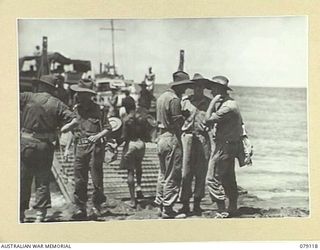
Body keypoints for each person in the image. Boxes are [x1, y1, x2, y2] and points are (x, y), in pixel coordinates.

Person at [20, 75, 76, 223]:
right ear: (52, 89)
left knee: (23, 178)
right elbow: (74, 120)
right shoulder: (57, 104)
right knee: (42, 179)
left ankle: (21, 213)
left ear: (40, 86)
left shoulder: (27, 97)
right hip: (45, 145)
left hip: (26, 142)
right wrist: (61, 130)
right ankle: (40, 215)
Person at [61, 79, 112, 220]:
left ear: (89, 95)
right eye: (79, 93)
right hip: (79, 147)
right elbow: (72, 130)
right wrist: (67, 149)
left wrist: (98, 136)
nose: (79, 95)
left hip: (95, 148)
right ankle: (80, 208)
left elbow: (108, 128)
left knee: (96, 179)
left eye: (83, 93)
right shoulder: (76, 110)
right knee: (79, 179)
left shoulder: (99, 110)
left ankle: (97, 206)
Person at [154, 71, 192, 219]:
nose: (186, 90)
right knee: (173, 174)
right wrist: (185, 116)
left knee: (162, 173)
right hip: (171, 137)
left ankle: (160, 204)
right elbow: (177, 121)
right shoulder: (174, 99)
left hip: (161, 136)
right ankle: (168, 208)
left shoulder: (162, 97)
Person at [205, 76, 244, 218]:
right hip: (230, 145)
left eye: (213, 90)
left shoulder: (227, 107)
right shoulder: (231, 104)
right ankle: (232, 207)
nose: (210, 92)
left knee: (213, 178)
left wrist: (212, 103)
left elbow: (207, 119)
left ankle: (221, 210)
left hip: (224, 146)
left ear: (219, 90)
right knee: (228, 177)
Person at [179, 73, 212, 216]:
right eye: (196, 86)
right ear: (192, 88)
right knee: (185, 173)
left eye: (201, 87)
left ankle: (197, 204)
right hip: (187, 138)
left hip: (203, 139)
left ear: (204, 88)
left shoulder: (210, 103)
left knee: (201, 172)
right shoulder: (185, 102)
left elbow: (216, 122)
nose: (199, 89)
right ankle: (185, 204)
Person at [118, 99, 148, 208]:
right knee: (138, 165)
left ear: (125, 107)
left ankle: (132, 200)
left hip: (131, 144)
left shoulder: (127, 120)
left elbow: (124, 137)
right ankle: (139, 187)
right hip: (141, 144)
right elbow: (146, 134)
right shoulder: (141, 118)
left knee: (130, 171)